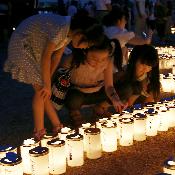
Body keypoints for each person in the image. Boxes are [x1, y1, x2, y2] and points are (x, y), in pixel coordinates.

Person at [3, 13, 104, 141]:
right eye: (88, 44)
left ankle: (57, 125)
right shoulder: (61, 28)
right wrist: (45, 84)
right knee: (41, 92)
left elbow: (56, 57)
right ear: (80, 34)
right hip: (23, 45)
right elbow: (47, 56)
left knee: (45, 91)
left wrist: (48, 80)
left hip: (34, 47)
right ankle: (39, 132)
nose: (86, 47)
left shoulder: (68, 34)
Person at [63, 36, 127, 128]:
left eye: (103, 59)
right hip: (79, 95)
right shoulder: (71, 61)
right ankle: (75, 113)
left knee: (125, 89)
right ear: (85, 51)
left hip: (98, 93)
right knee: (73, 98)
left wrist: (115, 99)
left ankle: (100, 107)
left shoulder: (108, 62)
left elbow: (109, 86)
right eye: (94, 58)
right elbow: (59, 83)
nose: (99, 63)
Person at [98, 44, 160, 112]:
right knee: (130, 89)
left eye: (149, 66)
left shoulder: (147, 78)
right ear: (134, 60)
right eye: (142, 64)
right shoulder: (122, 72)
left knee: (145, 88)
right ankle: (101, 107)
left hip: (130, 104)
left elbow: (148, 95)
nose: (145, 69)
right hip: (115, 99)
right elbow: (109, 86)